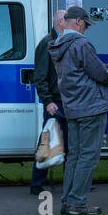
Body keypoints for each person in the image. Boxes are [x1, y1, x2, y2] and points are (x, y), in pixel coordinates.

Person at [48, 6, 108, 215]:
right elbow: (100, 76)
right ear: (79, 22)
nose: (86, 29)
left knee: (74, 156)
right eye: (86, 25)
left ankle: (68, 201)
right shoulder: (82, 44)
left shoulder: (59, 44)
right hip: (91, 107)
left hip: (73, 107)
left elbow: (83, 71)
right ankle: (77, 203)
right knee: (88, 157)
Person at [30, 10, 68, 195]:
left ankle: (72, 184)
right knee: (47, 142)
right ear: (61, 21)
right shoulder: (47, 43)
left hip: (68, 102)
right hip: (55, 103)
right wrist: (47, 101)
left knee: (71, 145)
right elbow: (40, 76)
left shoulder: (65, 41)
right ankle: (36, 183)